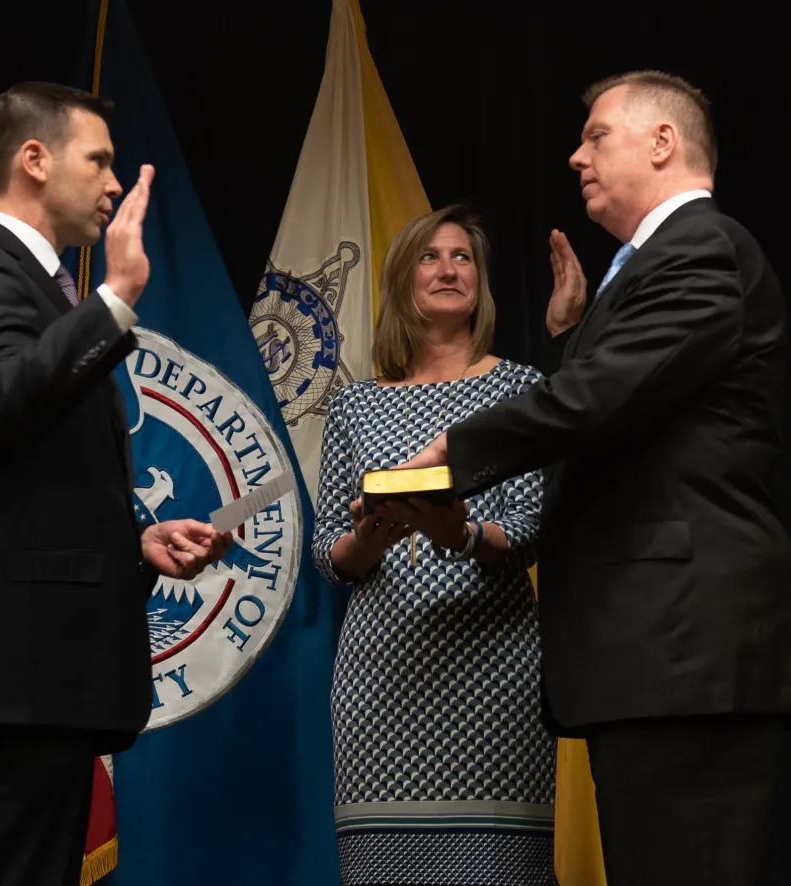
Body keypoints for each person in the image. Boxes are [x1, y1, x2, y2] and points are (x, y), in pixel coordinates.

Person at [398, 71, 791, 886]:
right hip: (657, 659)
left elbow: (601, 399)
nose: (575, 154)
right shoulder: (653, 265)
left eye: (596, 135)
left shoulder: (701, 248)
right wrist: (579, 335)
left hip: (685, 654)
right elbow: (631, 410)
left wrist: (455, 450)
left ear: (663, 143)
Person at [0, 81, 231, 886]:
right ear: (34, 160)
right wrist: (116, 299)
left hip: (36, 679)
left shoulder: (36, 290)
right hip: (12, 678)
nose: (115, 184)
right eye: (100, 160)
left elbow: (24, 482)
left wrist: (134, 545)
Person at [311, 205, 560, 886]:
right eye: (430, 257)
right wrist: (369, 537)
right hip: (380, 677)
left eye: (463, 258)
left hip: (492, 675)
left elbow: (532, 528)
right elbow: (327, 553)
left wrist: (459, 533)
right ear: (400, 282)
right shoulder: (355, 407)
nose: (449, 269)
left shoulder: (520, 391)